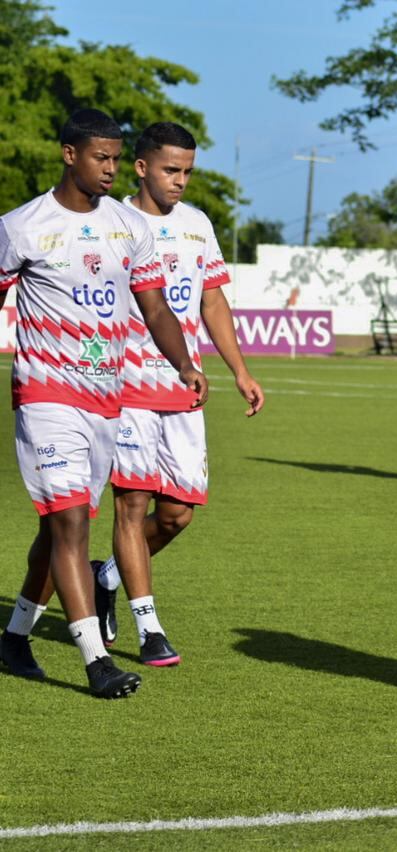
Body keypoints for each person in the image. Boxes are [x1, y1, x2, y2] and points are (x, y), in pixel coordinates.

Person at [0, 109, 207, 698]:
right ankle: (96, 660)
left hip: (105, 401)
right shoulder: (22, 226)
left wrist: (185, 364)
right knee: (69, 523)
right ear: (70, 155)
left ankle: (14, 638)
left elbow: (157, 307)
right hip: (45, 396)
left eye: (118, 158)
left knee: (60, 528)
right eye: (101, 157)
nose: (113, 169)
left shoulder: (127, 226)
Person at [88, 122, 265, 667]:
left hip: (183, 387)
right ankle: (150, 628)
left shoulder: (197, 224)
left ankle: (109, 576)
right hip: (128, 388)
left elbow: (212, 301)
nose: (181, 181)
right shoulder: (112, 222)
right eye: (171, 169)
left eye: (188, 171)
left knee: (177, 515)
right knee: (132, 505)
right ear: (141, 167)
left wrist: (239, 369)